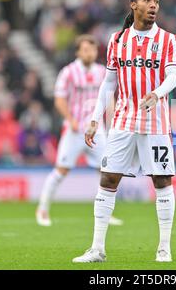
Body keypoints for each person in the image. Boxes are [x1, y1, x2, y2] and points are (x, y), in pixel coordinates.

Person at [72, 0, 176, 263]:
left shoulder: (168, 40)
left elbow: (173, 76)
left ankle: (164, 247)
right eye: (147, 0)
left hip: (156, 122)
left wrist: (157, 93)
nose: (153, 5)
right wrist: (96, 118)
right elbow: (108, 83)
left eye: (157, 0)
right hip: (123, 119)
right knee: (108, 178)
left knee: (162, 180)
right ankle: (97, 249)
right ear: (133, 4)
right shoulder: (117, 40)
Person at [36, 34, 123, 227]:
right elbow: (59, 99)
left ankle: (105, 213)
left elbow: (109, 98)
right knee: (61, 170)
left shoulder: (102, 71)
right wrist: (70, 120)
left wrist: (113, 122)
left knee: (107, 171)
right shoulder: (68, 72)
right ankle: (42, 209)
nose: (89, 53)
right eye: (85, 49)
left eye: (92, 50)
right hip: (74, 130)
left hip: (97, 130)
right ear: (77, 52)